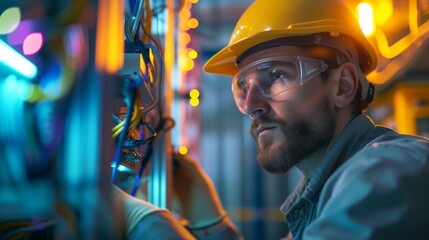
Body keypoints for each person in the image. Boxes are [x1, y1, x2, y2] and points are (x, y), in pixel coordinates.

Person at [119, 0, 429, 239]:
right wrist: (212, 225)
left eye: (277, 75)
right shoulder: (323, 198)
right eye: (243, 87)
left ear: (343, 86)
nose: (252, 104)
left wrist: (145, 223)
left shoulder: (386, 171)